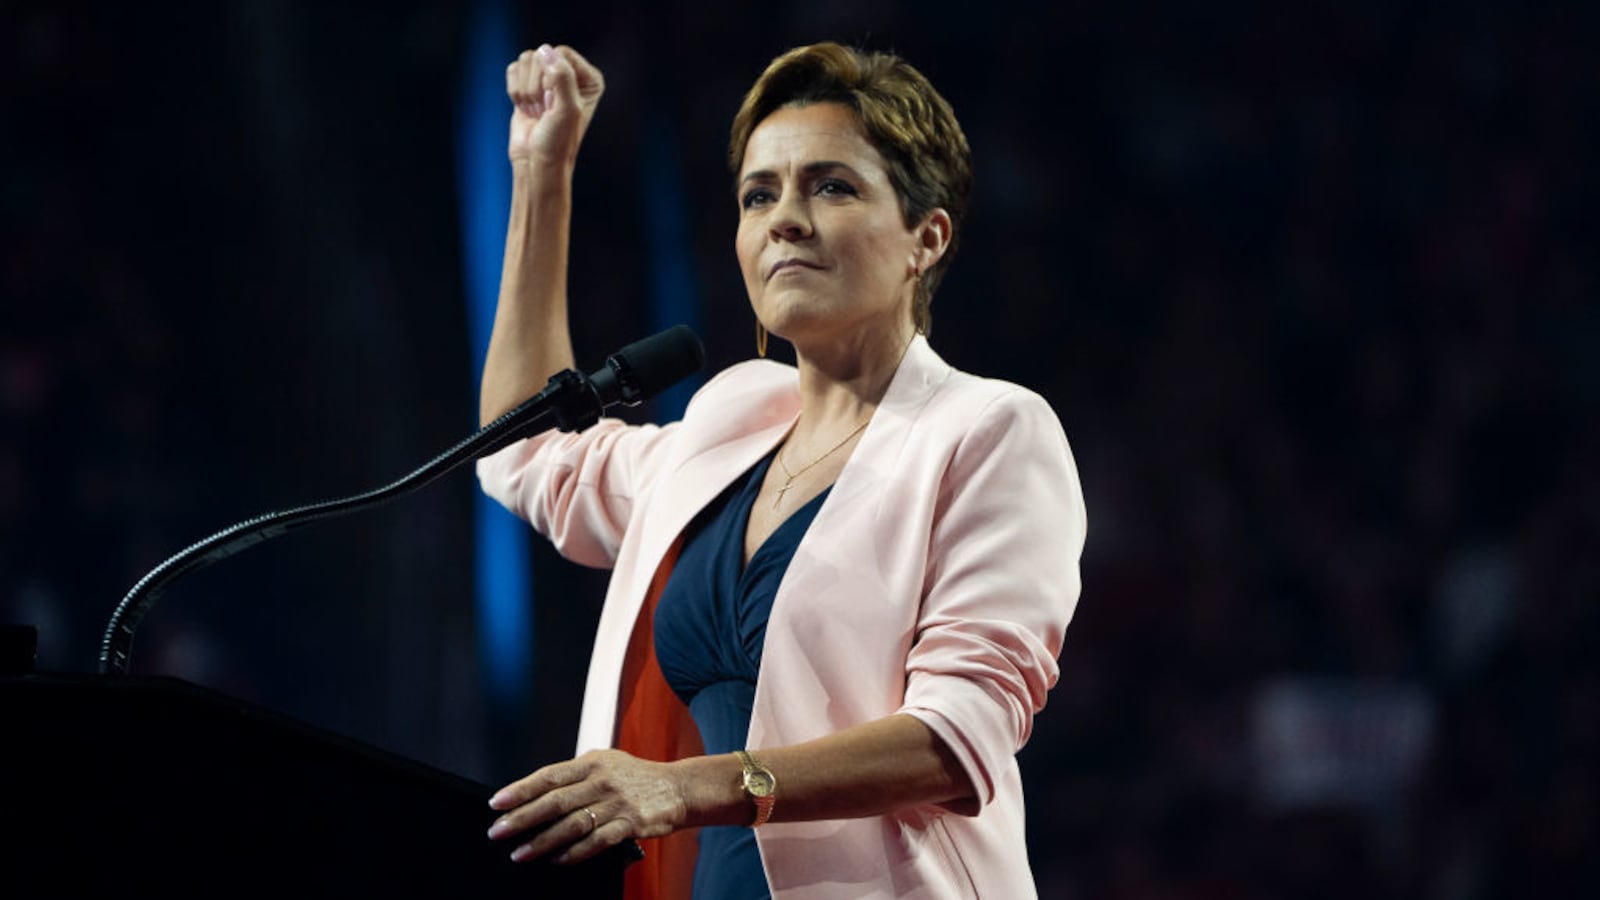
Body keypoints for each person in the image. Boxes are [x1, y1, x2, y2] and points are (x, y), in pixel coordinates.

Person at [477, 40, 1086, 900]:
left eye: (831, 186)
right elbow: (525, 451)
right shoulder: (731, 420)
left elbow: (958, 737)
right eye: (759, 195)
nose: (784, 219)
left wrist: (683, 786)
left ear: (926, 236)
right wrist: (543, 172)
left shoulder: (989, 430)